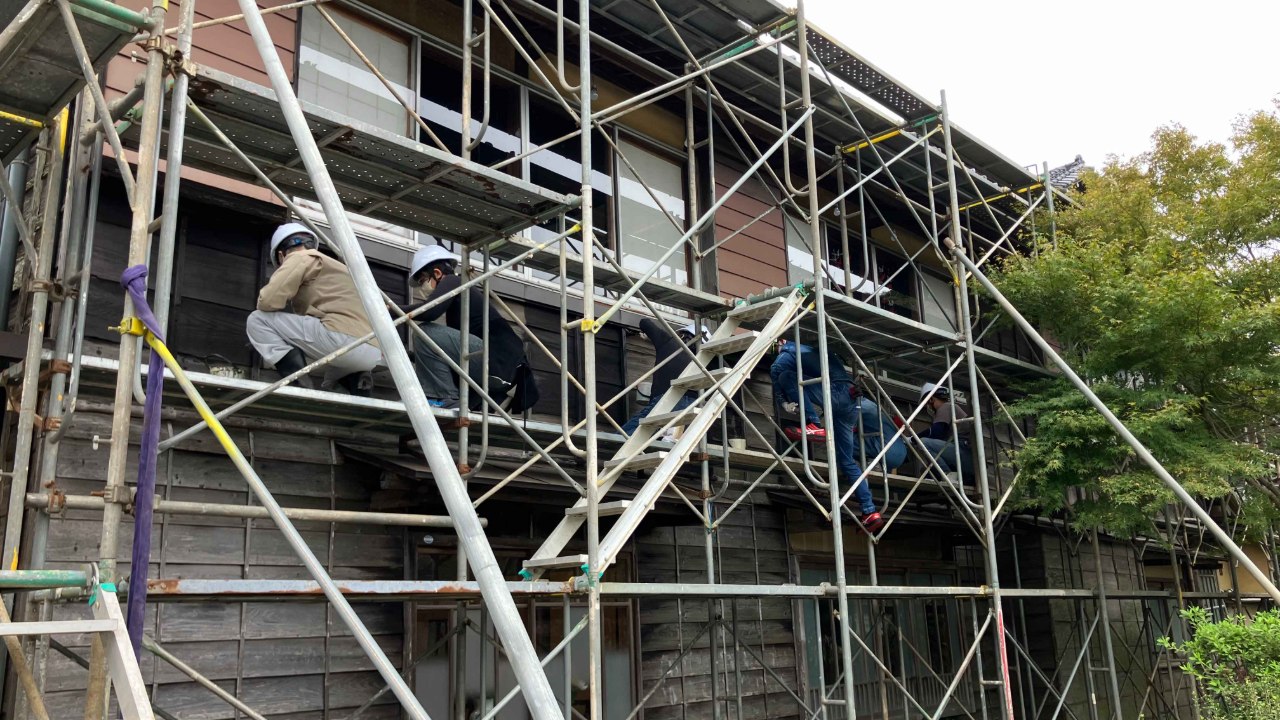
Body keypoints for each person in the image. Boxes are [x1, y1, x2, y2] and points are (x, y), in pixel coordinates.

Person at [246, 222, 381, 396]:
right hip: (372, 351)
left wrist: (266, 340)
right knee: (331, 384)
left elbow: (268, 301)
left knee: (257, 319)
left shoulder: (299, 257)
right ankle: (359, 384)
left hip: (340, 339)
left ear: (281, 255)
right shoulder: (342, 268)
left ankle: (298, 382)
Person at [403, 244, 538, 412]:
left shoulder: (454, 281)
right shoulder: (460, 301)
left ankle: (444, 398)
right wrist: (412, 355)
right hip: (503, 368)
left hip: (496, 360)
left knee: (425, 332)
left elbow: (429, 311)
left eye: (423, 280)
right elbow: (444, 353)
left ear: (437, 273)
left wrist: (390, 310)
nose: (422, 288)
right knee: (430, 343)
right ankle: (468, 400)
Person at [771, 340, 882, 531]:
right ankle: (870, 511)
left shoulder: (787, 352)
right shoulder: (819, 350)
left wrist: (783, 403)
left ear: (780, 343)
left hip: (834, 394)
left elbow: (777, 373)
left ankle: (813, 423)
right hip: (851, 399)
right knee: (847, 461)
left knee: (786, 376)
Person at [621, 320, 709, 436]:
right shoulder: (705, 360)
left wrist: (656, 338)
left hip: (667, 399)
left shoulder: (669, 342)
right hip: (694, 404)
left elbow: (645, 323)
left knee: (625, 435)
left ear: (682, 335)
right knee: (672, 439)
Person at [915, 382, 973, 483]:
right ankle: (952, 476)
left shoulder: (945, 407)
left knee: (923, 442)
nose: (928, 406)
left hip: (964, 453)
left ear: (931, 399)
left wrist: (913, 438)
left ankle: (947, 474)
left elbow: (936, 432)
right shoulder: (951, 408)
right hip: (967, 460)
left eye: (927, 403)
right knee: (929, 472)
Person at [850, 382, 907, 473]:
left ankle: (852, 464)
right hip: (900, 455)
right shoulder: (874, 407)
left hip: (886, 450)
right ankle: (874, 464)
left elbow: (846, 418)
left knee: (843, 439)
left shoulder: (861, 405)